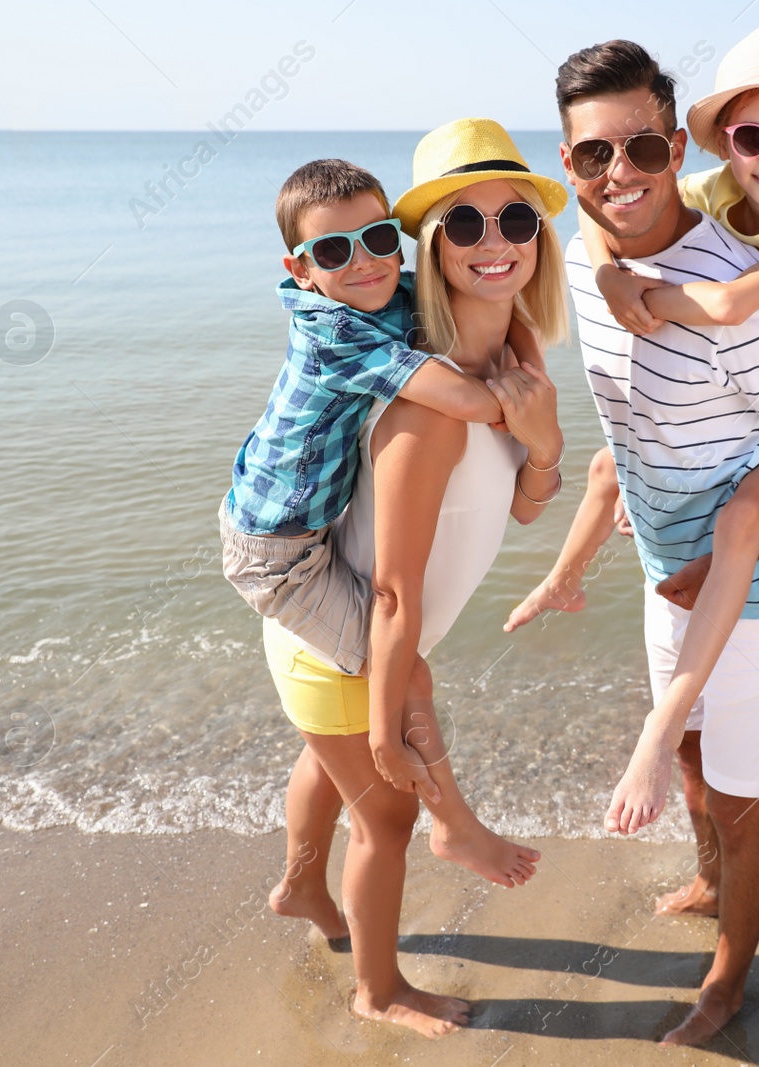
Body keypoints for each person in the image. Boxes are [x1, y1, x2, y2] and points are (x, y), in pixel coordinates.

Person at [547, 40, 759, 1047]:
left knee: (742, 804)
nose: (618, 175)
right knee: (691, 761)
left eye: (640, 148)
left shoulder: (757, 302)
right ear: (564, 162)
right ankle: (705, 876)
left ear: (671, 140)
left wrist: (720, 557)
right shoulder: (580, 250)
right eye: (590, 156)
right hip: (667, 571)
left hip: (754, 590)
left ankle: (728, 984)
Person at [257, 119, 569, 1037]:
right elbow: (390, 593)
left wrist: (545, 440)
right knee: (387, 817)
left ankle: (300, 886)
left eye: (517, 219)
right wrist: (395, 723)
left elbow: (521, 504)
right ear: (433, 246)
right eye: (464, 225)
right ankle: (378, 987)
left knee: (327, 759)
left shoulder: (515, 353)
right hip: (346, 636)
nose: (496, 242)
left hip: (369, 629)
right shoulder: (421, 404)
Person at [220, 158, 543, 894]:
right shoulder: (339, 328)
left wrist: (523, 352)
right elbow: (459, 401)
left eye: (377, 239)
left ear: (401, 242)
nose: (363, 263)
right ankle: (455, 826)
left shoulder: (386, 291)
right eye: (334, 252)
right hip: (278, 556)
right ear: (300, 269)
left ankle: (300, 886)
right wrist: (529, 411)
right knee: (404, 669)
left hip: (299, 527)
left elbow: (498, 307)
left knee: (321, 765)